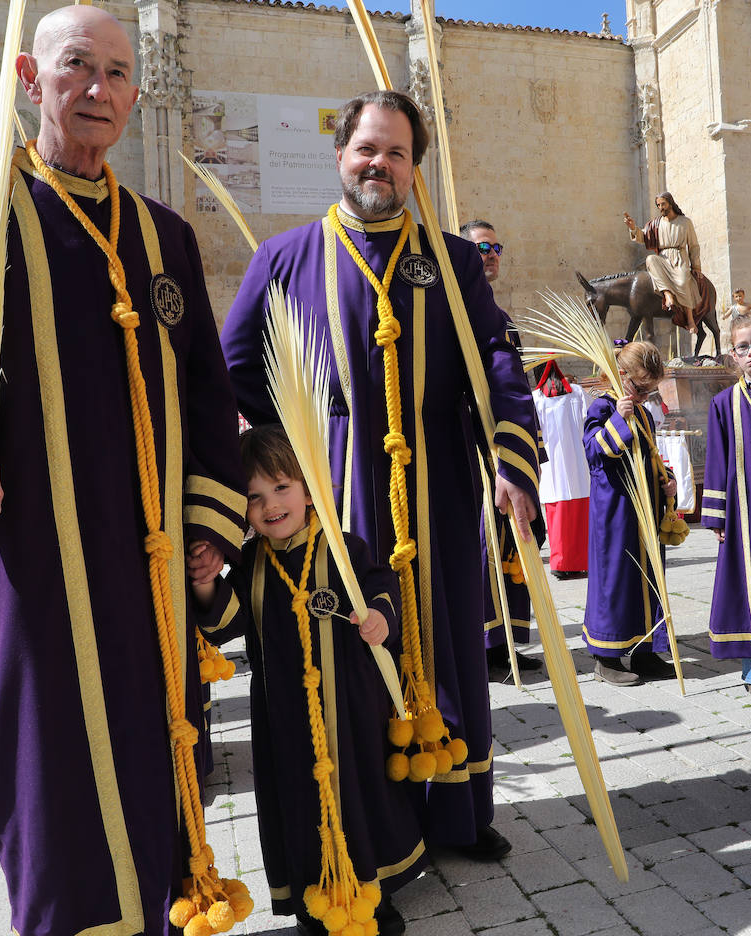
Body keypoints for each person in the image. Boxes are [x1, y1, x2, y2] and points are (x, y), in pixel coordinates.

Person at [0, 7, 248, 934]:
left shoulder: (167, 239)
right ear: (32, 81)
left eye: (119, 73)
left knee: (159, 790)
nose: (101, 90)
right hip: (37, 577)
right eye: (78, 66)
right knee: (57, 801)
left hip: (152, 579)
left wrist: (205, 527)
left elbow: (207, 393)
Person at [222, 89, 539, 861]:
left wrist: (512, 460)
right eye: (367, 148)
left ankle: (461, 814)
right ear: (340, 156)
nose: (380, 164)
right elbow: (232, 377)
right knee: (358, 659)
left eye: (397, 153)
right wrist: (271, 473)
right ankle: (378, 835)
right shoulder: (284, 258)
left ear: (415, 169)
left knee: (450, 643)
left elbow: (496, 365)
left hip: (439, 489)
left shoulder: (455, 262)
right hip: (337, 499)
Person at [192, 426, 425, 936]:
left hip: (351, 709)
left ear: (306, 485)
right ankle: (311, 900)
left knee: (360, 795)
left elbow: (381, 583)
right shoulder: (252, 562)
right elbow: (226, 622)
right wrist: (207, 581)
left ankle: (372, 894)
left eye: (281, 487)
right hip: (285, 723)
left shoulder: (341, 546)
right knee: (297, 806)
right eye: (254, 498)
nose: (271, 505)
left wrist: (380, 616)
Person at [459, 219, 541, 679]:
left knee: (510, 541)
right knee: (481, 543)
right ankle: (483, 642)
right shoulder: (450, 310)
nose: (490, 254)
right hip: (470, 446)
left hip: (501, 446)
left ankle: (506, 640)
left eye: (496, 247)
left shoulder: (501, 316)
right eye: (481, 246)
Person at [582, 340, 679, 686]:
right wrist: (618, 422)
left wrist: (667, 482)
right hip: (616, 511)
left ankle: (645, 649)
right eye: (639, 388)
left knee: (649, 579)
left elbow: (651, 457)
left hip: (647, 511)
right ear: (621, 375)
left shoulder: (643, 413)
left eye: (649, 391)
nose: (642, 396)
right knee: (616, 580)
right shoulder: (603, 408)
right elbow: (594, 452)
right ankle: (606, 656)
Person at [702, 314, 751, 704]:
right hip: (745, 510)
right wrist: (716, 515)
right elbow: (716, 460)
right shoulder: (723, 403)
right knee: (749, 583)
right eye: (743, 347)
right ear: (732, 354)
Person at [533, 359, 590, 581]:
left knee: (557, 516)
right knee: (579, 514)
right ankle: (581, 561)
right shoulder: (577, 392)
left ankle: (560, 563)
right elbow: (589, 418)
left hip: (552, 464)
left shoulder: (536, 398)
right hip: (578, 460)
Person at [623, 192, 707, 327]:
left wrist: (696, 266)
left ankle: (690, 319)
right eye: (658, 205)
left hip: (680, 258)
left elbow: (694, 246)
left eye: (663, 204)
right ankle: (667, 294)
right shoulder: (656, 224)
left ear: (670, 203)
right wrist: (633, 228)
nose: (661, 207)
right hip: (663, 258)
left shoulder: (685, 222)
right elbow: (643, 237)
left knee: (683, 281)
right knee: (650, 259)